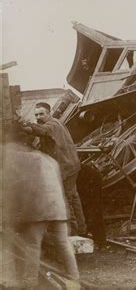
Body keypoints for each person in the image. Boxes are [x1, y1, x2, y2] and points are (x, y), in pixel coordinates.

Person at [2, 123, 80, 287]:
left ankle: (29, 283)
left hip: (38, 208)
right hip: (58, 207)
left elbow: (13, 185)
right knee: (63, 243)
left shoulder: (14, 156)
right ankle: (75, 280)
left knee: (32, 245)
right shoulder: (48, 159)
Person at [21, 101, 86, 236]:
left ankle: (73, 232)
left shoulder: (51, 125)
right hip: (71, 165)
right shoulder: (57, 123)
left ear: (48, 113)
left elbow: (44, 131)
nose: (38, 117)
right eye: (36, 115)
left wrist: (26, 124)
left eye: (41, 114)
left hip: (65, 167)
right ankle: (82, 228)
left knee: (65, 198)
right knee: (73, 197)